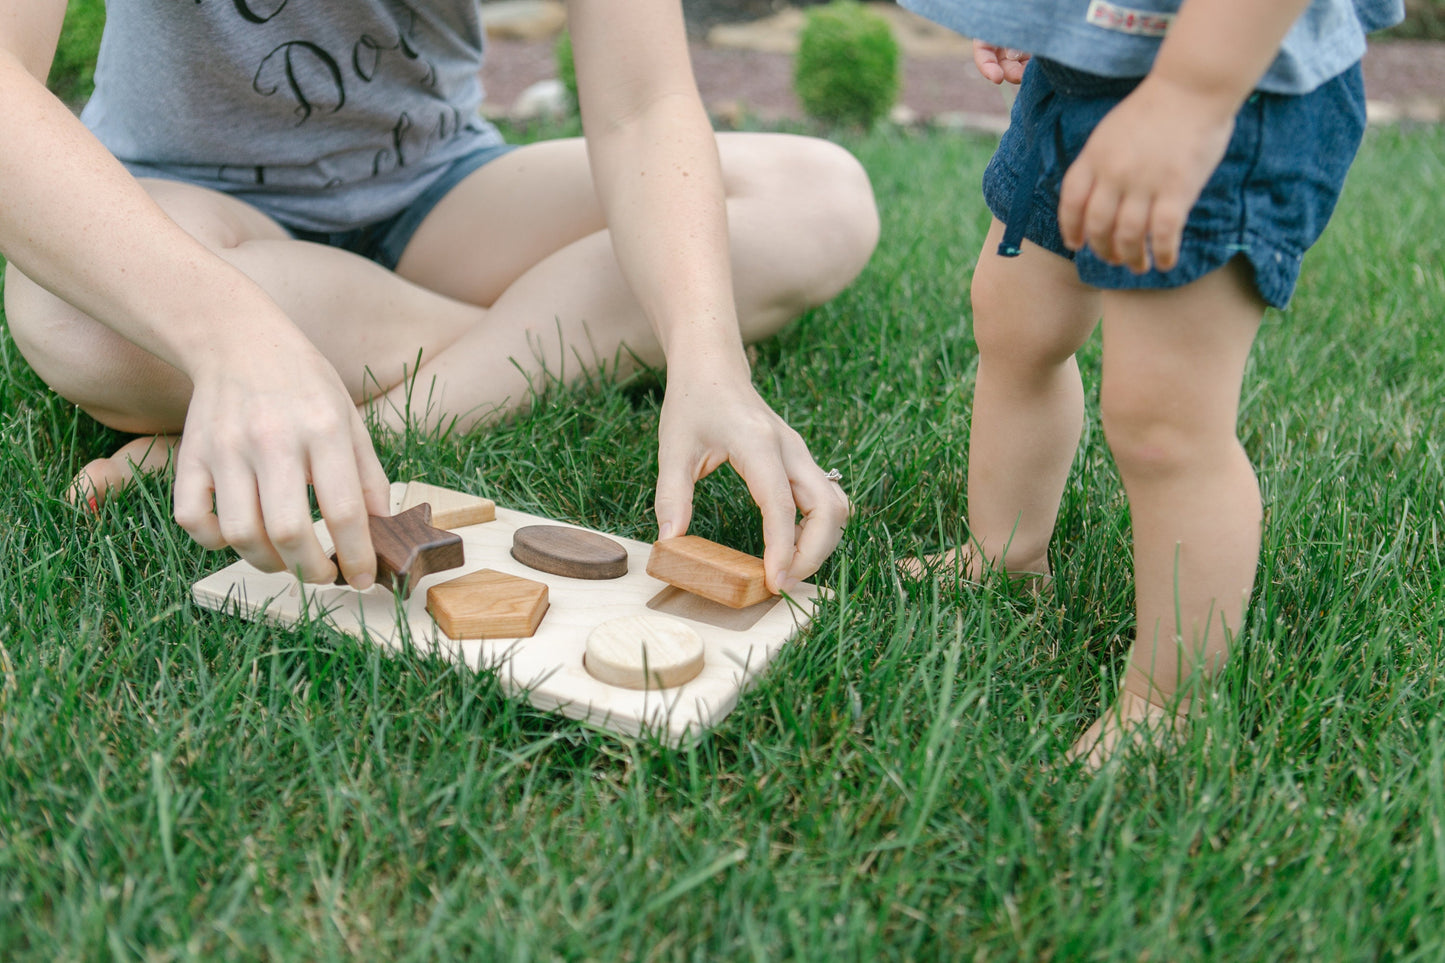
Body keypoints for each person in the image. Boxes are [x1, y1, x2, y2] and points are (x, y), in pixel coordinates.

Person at [0, 2, 877, 597]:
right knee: (75, 320)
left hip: (442, 194)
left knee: (817, 196)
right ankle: (578, 338)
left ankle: (358, 426)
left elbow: (642, 107)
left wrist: (705, 357)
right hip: (192, 206)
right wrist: (234, 339)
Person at [897, 0, 1404, 764]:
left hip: (1227, 95)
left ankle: (1170, 702)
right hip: (1082, 76)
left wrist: (1187, 100)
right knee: (1015, 325)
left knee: (1163, 421)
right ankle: (1002, 554)